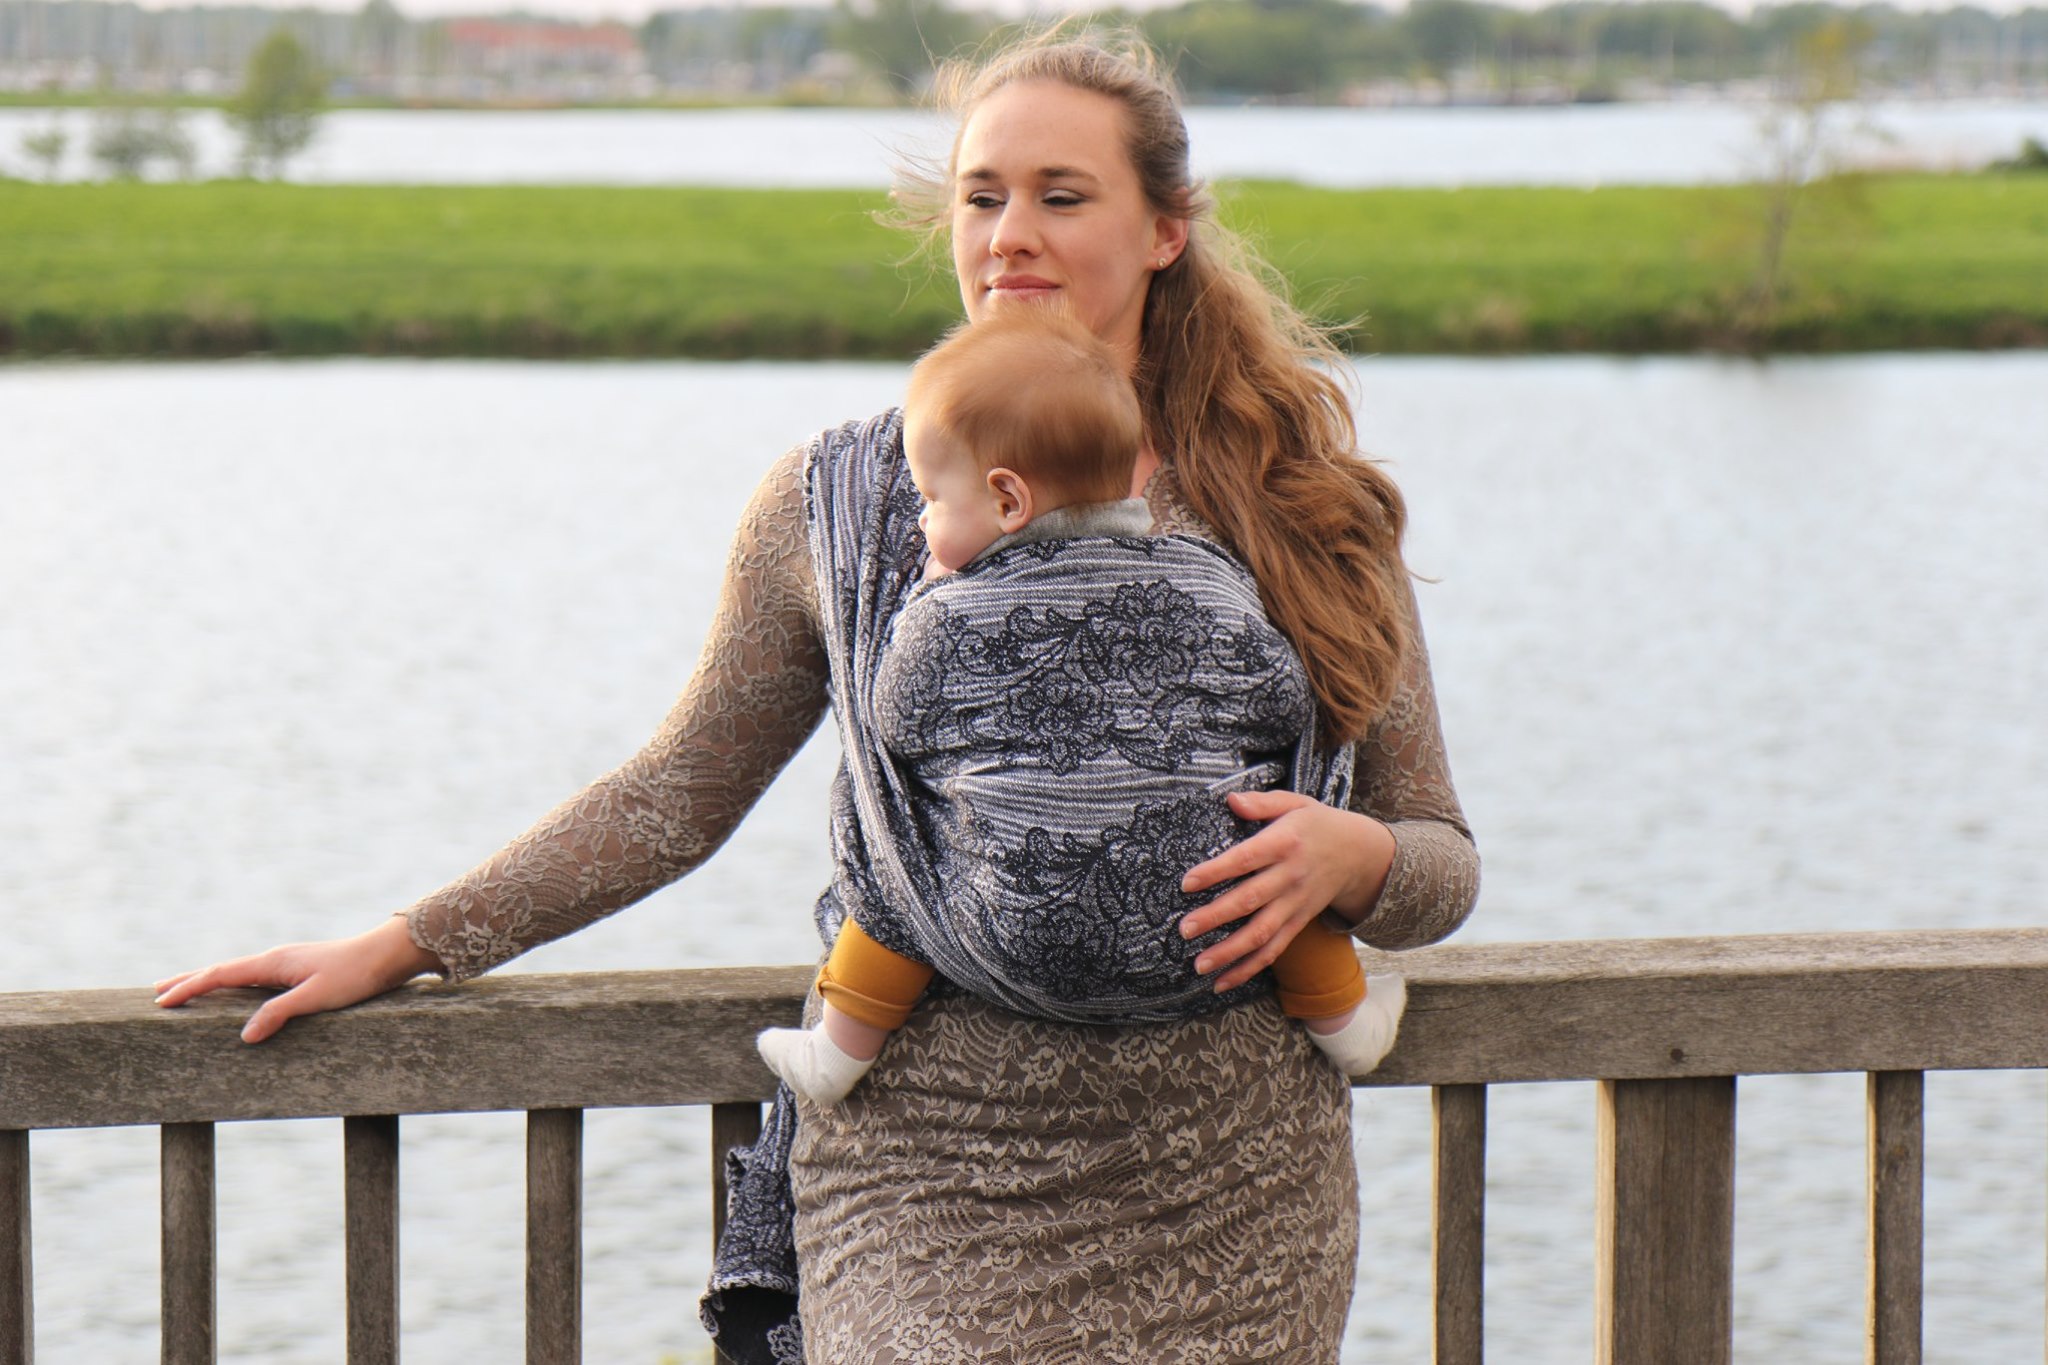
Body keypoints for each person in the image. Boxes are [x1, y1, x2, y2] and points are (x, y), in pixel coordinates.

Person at [154, 25, 1478, 1362]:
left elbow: (1440, 861)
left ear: (1164, 232)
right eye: (981, 196)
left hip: (1233, 1194)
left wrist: (1355, 860)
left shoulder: (1304, 507)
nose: (1010, 235)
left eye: (1062, 197)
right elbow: (677, 795)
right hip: (925, 1177)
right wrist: (403, 943)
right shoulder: (838, 503)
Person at [757, 308, 1406, 1108]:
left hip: (1005, 927)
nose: (921, 519)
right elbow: (1278, 698)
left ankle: (840, 1047)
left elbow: (892, 719)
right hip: (1206, 930)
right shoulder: (1206, 578)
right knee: (1270, 835)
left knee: (895, 854)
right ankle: (1345, 1022)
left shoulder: (945, 615)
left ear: (1008, 499)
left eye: (931, 498)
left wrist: (925, 603)